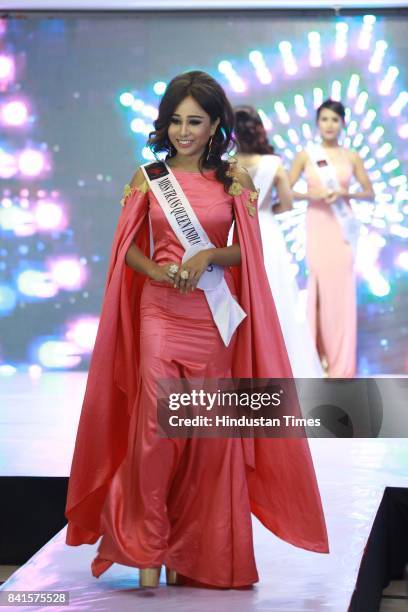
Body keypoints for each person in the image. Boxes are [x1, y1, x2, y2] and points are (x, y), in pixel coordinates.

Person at [65, 71, 328, 590]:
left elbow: (246, 253)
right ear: (165, 124)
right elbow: (129, 251)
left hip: (212, 320)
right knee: (154, 433)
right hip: (159, 314)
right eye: (176, 121)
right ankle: (146, 549)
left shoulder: (234, 181)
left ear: (215, 127)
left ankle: (197, 552)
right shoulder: (148, 177)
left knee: (206, 437)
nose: (184, 131)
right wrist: (155, 270)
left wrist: (210, 252)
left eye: (196, 122)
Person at [233, 105, 323, 377]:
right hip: (267, 234)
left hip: (236, 234)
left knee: (242, 299)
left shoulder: (226, 165)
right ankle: (285, 365)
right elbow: (286, 203)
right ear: (258, 129)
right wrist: (266, 211)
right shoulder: (273, 164)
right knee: (278, 297)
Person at [289, 99, 374, 378]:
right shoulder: (306, 155)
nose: (329, 125)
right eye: (324, 119)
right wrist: (312, 195)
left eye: (334, 120)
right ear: (317, 122)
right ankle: (316, 359)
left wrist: (344, 194)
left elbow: (369, 192)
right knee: (320, 290)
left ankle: (341, 364)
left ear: (343, 123)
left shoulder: (351, 156)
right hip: (318, 225)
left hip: (342, 228)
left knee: (341, 294)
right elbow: (286, 191)